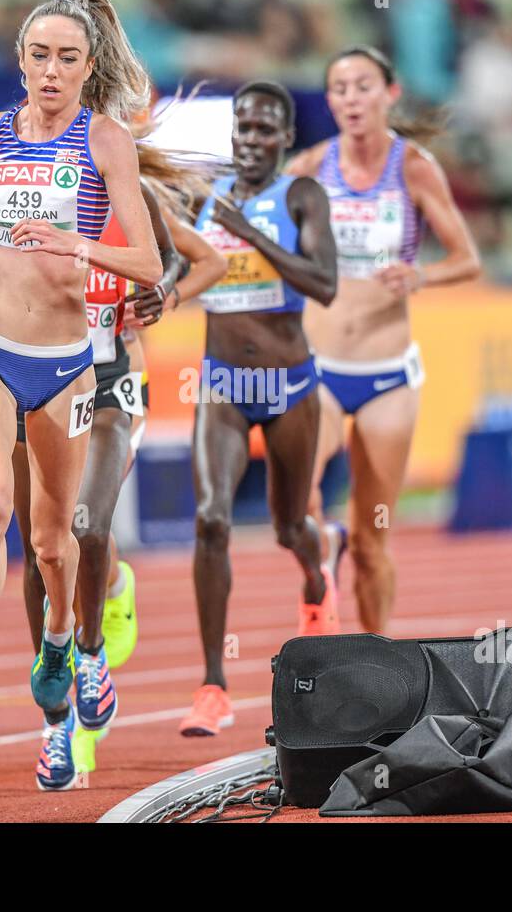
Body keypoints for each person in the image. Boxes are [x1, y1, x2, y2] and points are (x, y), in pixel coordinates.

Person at [0, 0, 162, 791]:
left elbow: (149, 265)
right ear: (19, 61)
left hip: (65, 366)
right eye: (39, 56)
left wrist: (75, 244)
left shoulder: (106, 142)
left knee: (56, 544)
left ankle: (60, 640)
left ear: (89, 69)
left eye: (68, 58)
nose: (51, 71)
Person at [0, 150, 226, 774]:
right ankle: (55, 722)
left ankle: (93, 651)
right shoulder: (13, 206)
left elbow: (175, 257)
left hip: (109, 385)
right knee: (39, 552)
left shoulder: (135, 200)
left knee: (84, 524)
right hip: (30, 384)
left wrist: (162, 296)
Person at [286, 45, 482, 634]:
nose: (351, 98)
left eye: (363, 86)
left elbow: (467, 258)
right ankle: (320, 563)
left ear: (389, 94)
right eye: (339, 88)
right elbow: (252, 237)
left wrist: (420, 274)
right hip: (317, 365)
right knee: (298, 500)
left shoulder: (414, 167)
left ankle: (377, 660)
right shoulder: (309, 167)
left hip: (386, 376)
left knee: (373, 543)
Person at [179, 81, 338, 738]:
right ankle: (214, 684)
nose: (250, 141)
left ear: (285, 139)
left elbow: (324, 285)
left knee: (287, 527)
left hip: (289, 388)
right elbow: (173, 261)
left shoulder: (301, 196)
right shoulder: (203, 197)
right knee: (211, 519)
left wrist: (250, 236)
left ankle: (316, 567)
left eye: (265, 130)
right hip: (221, 386)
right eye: (242, 128)